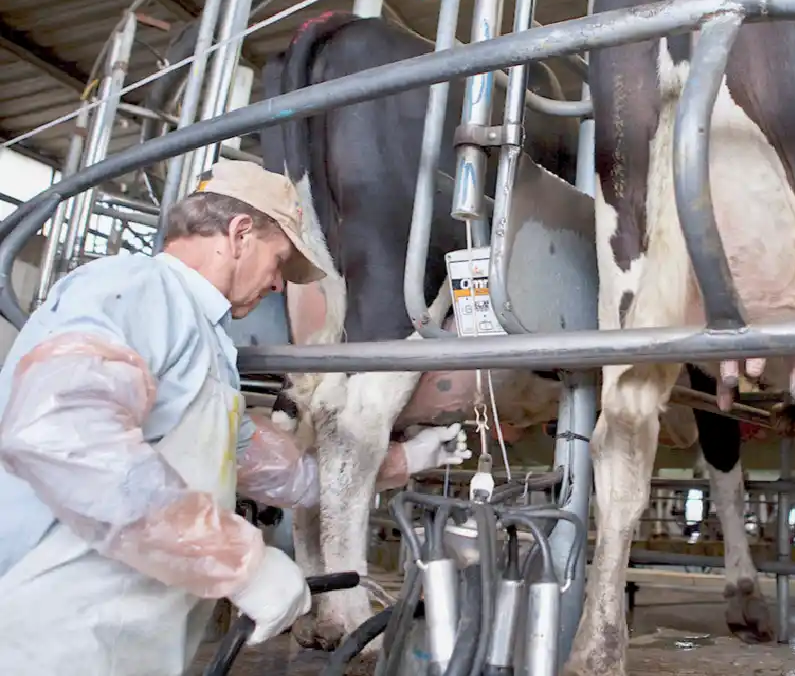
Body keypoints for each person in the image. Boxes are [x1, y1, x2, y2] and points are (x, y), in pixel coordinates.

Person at [0, 159, 470, 675]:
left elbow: (283, 474)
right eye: (280, 262)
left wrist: (402, 459)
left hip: (129, 640)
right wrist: (241, 563)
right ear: (240, 233)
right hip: (55, 633)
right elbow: (62, 437)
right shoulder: (137, 290)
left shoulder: (209, 343)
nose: (277, 285)